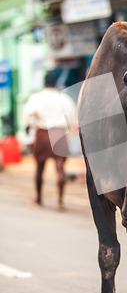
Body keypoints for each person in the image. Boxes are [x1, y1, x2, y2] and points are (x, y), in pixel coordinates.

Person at [24, 71, 77, 210]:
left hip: (43, 134)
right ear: (56, 83)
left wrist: (31, 125)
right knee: (60, 168)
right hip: (59, 134)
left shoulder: (36, 98)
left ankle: (39, 199)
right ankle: (60, 201)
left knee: (39, 168)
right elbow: (73, 118)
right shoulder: (64, 98)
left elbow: (29, 115)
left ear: (44, 82)